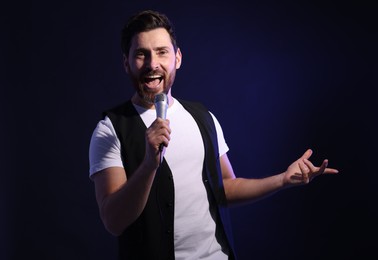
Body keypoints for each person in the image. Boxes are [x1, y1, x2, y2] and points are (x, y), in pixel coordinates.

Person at [88, 9, 339, 260]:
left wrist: (283, 179)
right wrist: (148, 165)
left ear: (177, 58)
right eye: (141, 54)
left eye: (162, 52)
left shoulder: (202, 117)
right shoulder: (110, 130)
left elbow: (226, 188)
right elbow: (114, 221)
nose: (153, 64)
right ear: (126, 63)